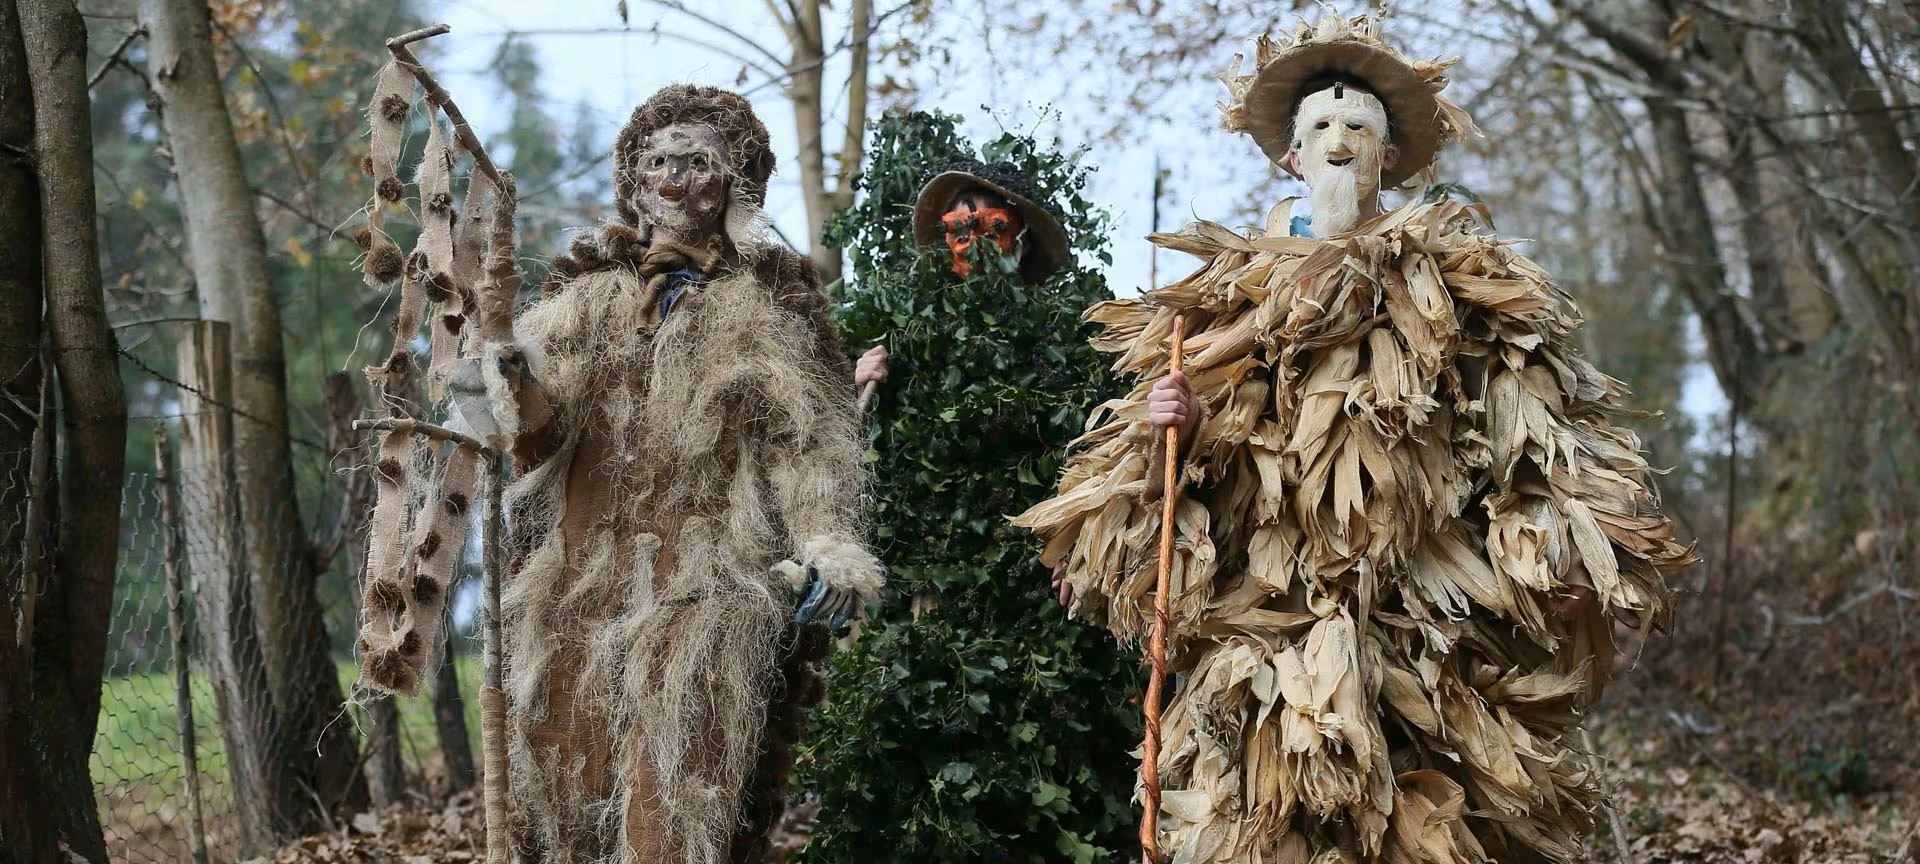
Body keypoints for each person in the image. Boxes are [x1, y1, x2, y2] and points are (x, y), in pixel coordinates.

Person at [1015, 14, 1696, 862]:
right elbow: (1149, 462)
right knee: (1263, 821)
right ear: (1291, 158)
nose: (1340, 145)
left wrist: (1570, 554)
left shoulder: (1463, 281)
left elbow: (1541, 428)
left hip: (1428, 609)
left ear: (1390, 157)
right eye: (1321, 131)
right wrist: (1174, 431)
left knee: (1428, 823)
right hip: (1267, 617)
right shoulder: (1219, 298)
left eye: (1360, 130)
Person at [469, 84, 883, 864]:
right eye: (654, 162)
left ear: (734, 182)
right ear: (631, 182)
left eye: (694, 162)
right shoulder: (580, 302)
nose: (670, 178)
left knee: (676, 808)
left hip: (704, 594)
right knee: (561, 803)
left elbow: (810, 446)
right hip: (575, 598)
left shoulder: (771, 305)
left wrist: (826, 541)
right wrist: (498, 340)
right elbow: (528, 439)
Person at [852, 158, 1071, 396]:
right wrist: (861, 387)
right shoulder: (914, 334)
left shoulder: (1056, 334)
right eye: (960, 234)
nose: (975, 247)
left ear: (1023, 242)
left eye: (992, 231)